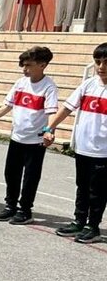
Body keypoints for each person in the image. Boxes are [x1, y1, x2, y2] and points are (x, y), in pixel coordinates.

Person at [0, 47, 58, 225]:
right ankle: (10, 205)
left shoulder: (49, 87)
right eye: (23, 65)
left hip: (35, 141)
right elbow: (6, 106)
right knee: (11, 173)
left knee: (30, 177)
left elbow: (52, 112)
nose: (25, 69)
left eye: (29, 65)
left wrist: (49, 130)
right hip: (17, 138)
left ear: (42, 65)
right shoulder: (20, 83)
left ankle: (25, 210)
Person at [41, 42, 107, 244]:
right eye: (98, 62)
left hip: (103, 152)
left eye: (106, 62)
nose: (101, 67)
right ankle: (79, 221)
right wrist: (50, 128)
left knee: (97, 192)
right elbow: (67, 108)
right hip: (83, 148)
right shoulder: (88, 85)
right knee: (82, 187)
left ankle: (93, 227)